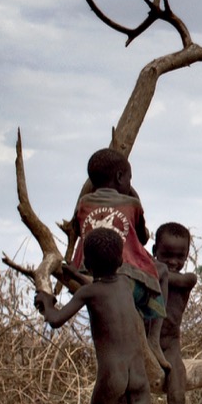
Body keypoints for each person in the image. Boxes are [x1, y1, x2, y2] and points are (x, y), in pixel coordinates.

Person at [35, 228, 165, 404]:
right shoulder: (124, 285)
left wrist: (45, 302)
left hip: (112, 376)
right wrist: (72, 275)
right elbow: (99, 285)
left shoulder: (88, 292)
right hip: (138, 375)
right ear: (120, 262)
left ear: (90, 264)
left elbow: (56, 320)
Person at [71, 148, 166, 368]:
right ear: (120, 177)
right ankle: (154, 341)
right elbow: (141, 238)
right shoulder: (131, 204)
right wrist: (133, 194)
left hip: (85, 275)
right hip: (124, 278)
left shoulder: (83, 204)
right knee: (160, 272)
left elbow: (77, 228)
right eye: (129, 178)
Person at [152, 221, 202, 404]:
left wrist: (153, 268)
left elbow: (169, 277)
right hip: (144, 342)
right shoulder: (148, 274)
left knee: (177, 397)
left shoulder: (187, 279)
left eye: (180, 256)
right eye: (166, 255)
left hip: (170, 343)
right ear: (155, 252)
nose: (174, 262)